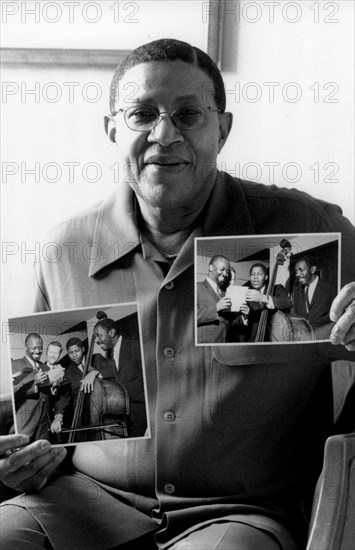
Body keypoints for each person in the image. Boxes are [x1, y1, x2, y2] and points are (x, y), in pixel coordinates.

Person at [0, 38, 354, 550]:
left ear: (223, 130)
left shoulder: (310, 229)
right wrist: (19, 461)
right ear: (112, 129)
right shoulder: (65, 250)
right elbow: (42, 408)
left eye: (189, 114)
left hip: (240, 513)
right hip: (82, 498)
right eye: (142, 114)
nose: (164, 135)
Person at [92, 316, 147, 437]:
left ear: (111, 332)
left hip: (143, 412)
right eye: (95, 337)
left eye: (99, 335)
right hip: (126, 413)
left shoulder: (135, 347)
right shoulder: (110, 354)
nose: (96, 340)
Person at [197, 255, 249, 343]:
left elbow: (228, 321)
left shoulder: (225, 293)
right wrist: (216, 308)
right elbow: (189, 318)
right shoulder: (197, 287)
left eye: (227, 271)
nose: (225, 274)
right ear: (211, 268)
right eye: (222, 269)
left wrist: (244, 316)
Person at [10, 334, 51, 443]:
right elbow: (12, 391)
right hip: (24, 424)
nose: (38, 351)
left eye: (40, 347)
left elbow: (48, 395)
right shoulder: (15, 364)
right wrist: (34, 382)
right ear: (25, 348)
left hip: (43, 424)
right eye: (34, 348)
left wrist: (54, 388)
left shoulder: (45, 367)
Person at [244, 263, 292, 342]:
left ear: (266, 277)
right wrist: (246, 316)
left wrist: (264, 298)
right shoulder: (247, 295)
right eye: (252, 274)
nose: (255, 277)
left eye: (259, 274)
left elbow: (288, 303)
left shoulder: (277, 289)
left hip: (275, 340)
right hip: (254, 342)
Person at [292, 257, 337, 333]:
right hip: (304, 337)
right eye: (296, 271)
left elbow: (335, 315)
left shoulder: (330, 288)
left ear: (312, 269)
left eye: (301, 270)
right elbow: (296, 316)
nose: (297, 274)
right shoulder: (296, 291)